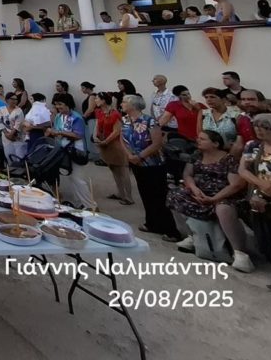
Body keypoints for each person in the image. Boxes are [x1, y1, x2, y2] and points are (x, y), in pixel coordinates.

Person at [167, 130, 251, 270]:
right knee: (175, 195)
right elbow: (187, 175)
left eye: (203, 139)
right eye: (198, 138)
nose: (198, 140)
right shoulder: (196, 156)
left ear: (215, 143)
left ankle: (240, 253)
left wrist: (214, 198)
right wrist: (194, 189)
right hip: (200, 193)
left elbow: (236, 185)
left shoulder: (228, 159)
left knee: (223, 207)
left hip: (223, 195)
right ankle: (192, 236)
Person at [120, 94, 180, 240]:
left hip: (152, 163)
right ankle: (152, 223)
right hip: (135, 162)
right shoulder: (125, 120)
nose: (121, 104)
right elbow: (122, 139)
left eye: (124, 102)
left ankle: (171, 230)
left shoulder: (150, 121)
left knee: (158, 195)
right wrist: (129, 155)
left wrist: (140, 156)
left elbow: (156, 143)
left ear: (133, 105)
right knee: (145, 193)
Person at [238, 114, 271, 291]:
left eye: (264, 127)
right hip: (260, 197)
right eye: (256, 126)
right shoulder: (253, 146)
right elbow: (243, 169)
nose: (258, 130)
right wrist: (262, 186)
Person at [89, 92, 133, 204]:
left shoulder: (114, 113)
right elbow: (97, 125)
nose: (96, 101)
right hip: (104, 143)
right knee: (113, 169)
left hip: (115, 144)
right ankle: (120, 193)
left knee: (123, 170)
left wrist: (106, 141)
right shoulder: (98, 112)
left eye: (97, 99)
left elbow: (117, 131)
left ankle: (128, 197)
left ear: (103, 100)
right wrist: (95, 137)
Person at [48, 99, 93, 208]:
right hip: (64, 149)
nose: (58, 107)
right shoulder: (59, 116)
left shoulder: (76, 117)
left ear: (68, 105)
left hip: (77, 151)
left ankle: (91, 206)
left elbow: (78, 135)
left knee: (78, 179)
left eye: (60, 103)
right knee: (72, 178)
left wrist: (59, 132)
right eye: (56, 105)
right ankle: (80, 203)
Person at [0, 92, 27, 164]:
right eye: (12, 99)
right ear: (7, 100)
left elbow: (18, 124)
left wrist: (11, 134)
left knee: (19, 155)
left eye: (16, 99)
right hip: (5, 135)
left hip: (17, 136)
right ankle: (11, 170)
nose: (14, 101)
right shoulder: (1, 109)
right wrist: (6, 134)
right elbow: (0, 122)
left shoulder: (19, 110)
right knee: (8, 154)